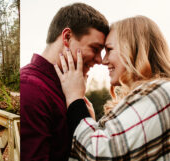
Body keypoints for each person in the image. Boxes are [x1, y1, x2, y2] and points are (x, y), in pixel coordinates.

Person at [55, 16, 170, 160]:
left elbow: (99, 154)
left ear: (134, 49)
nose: (103, 60)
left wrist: (75, 100)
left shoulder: (162, 92)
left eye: (109, 49)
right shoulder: (150, 95)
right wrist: (92, 124)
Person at [20, 3, 109, 161]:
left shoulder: (68, 88)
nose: (100, 60)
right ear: (67, 37)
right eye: (95, 48)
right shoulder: (30, 89)